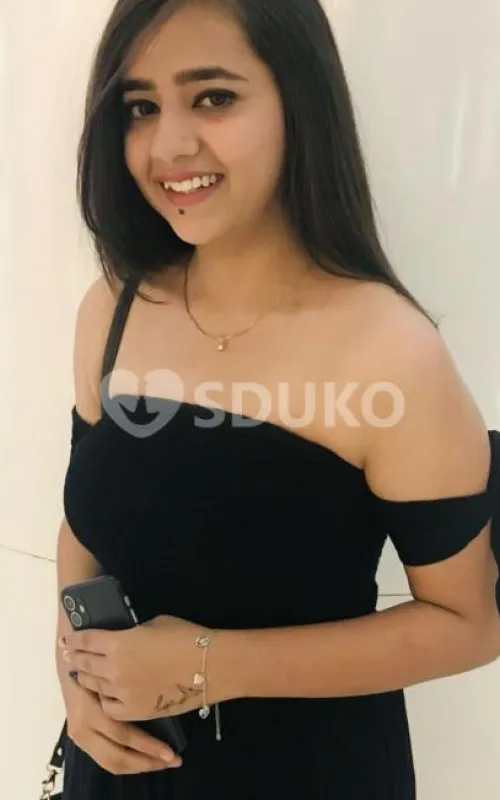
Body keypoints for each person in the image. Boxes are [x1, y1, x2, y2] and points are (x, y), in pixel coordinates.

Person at [54, 0, 500, 798]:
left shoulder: (391, 353)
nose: (169, 145)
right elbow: (83, 527)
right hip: (119, 767)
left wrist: (210, 666)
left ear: (300, 100)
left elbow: (468, 624)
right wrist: (74, 674)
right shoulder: (114, 308)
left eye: (214, 97)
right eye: (141, 107)